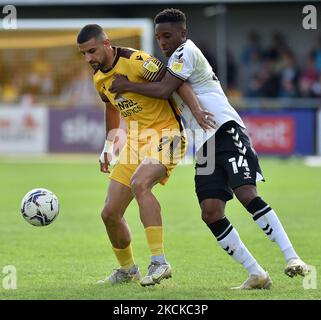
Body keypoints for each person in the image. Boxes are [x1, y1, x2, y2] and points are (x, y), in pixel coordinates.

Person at [109, 8, 310, 290]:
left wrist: (127, 85)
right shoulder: (172, 64)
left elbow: (167, 90)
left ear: (183, 33)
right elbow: (178, 88)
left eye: (167, 35)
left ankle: (293, 258)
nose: (163, 42)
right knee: (210, 211)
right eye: (158, 37)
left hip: (225, 129)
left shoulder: (184, 52)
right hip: (203, 144)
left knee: (246, 193)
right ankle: (257, 274)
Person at [77, 24, 213, 287]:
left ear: (107, 43)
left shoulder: (137, 61)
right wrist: (108, 146)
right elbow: (111, 108)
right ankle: (127, 270)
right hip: (136, 141)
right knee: (109, 213)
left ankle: (159, 262)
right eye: (83, 54)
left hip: (168, 134)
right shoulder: (98, 78)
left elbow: (174, 82)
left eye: (91, 51)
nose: (88, 59)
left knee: (140, 184)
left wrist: (195, 110)